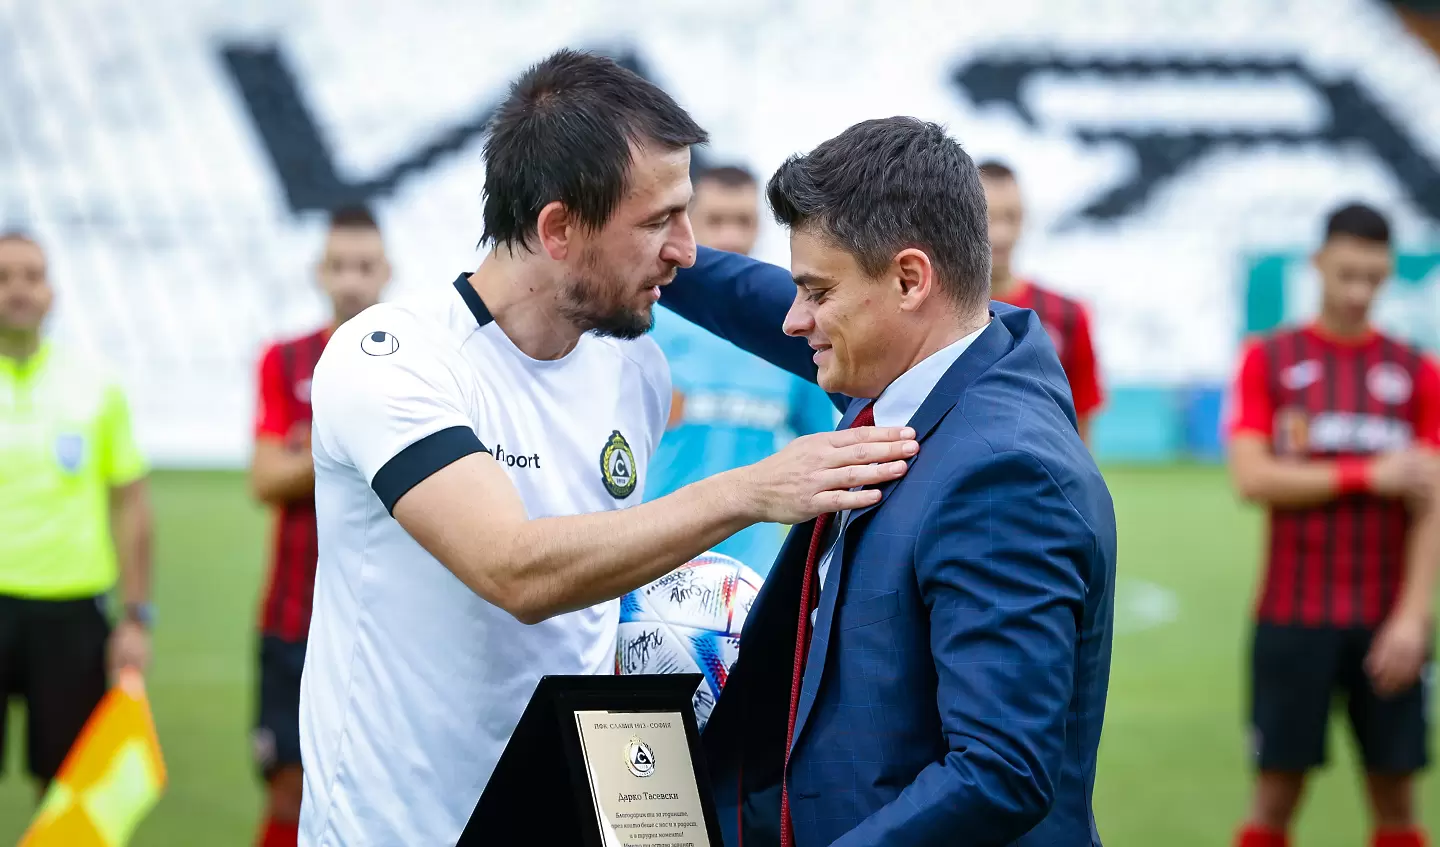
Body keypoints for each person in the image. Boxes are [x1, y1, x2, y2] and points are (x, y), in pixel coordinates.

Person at [297, 50, 917, 846]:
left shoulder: (635, 370)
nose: (688, 250)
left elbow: (597, 591)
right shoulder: (392, 359)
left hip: (569, 816)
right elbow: (513, 569)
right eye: (659, 221)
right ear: (558, 229)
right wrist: (750, 490)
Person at [661, 118, 1117, 846]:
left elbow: (998, 771)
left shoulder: (1005, 473)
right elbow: (752, 296)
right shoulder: (929, 364)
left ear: (910, 280)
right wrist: (653, 254)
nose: (793, 319)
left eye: (816, 291)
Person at [1226, 203, 1438, 847]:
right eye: (1346, 274)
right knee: (1274, 797)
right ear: (1318, 264)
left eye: (1373, 277)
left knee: (1397, 800)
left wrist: (1414, 618)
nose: (1358, 292)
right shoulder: (1269, 359)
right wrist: (1368, 474)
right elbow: (1252, 477)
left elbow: (1431, 501)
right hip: (1292, 619)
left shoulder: (1417, 371)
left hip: (1387, 623)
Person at [248, 206, 391, 847]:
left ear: (387, 272)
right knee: (288, 786)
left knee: (377, 786)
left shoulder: (411, 362)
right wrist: (357, 443)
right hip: (292, 616)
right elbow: (264, 479)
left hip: (380, 618)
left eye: (364, 266)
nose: (352, 281)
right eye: (340, 266)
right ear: (319, 272)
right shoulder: (285, 360)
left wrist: (307, 450)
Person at [0, 231, 155, 796]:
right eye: (3, 277)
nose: (18, 289)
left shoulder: (96, 384)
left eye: (32, 275)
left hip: (72, 610)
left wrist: (136, 617)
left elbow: (131, 503)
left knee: (68, 793)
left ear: (52, 291)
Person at [647, 164, 837, 576]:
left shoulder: (796, 333)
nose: (731, 236)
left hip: (753, 576)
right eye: (716, 220)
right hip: (654, 566)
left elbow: (822, 447)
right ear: (688, 225)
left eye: (744, 221)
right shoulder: (647, 324)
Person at [979, 160, 1104, 443]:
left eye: (1011, 217)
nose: (1000, 234)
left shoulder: (1067, 315)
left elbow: (1080, 428)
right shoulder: (937, 311)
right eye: (988, 218)